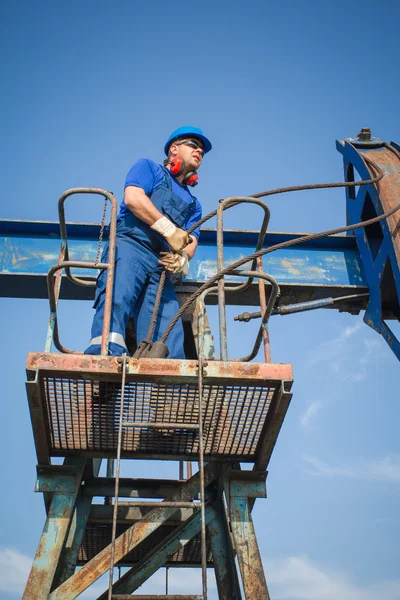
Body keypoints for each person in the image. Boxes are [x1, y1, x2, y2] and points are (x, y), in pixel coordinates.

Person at [85, 126, 212, 359]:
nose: (199, 151)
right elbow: (133, 198)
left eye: (202, 150)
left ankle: (172, 384)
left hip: (160, 265)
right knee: (117, 299)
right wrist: (168, 229)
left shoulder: (195, 205)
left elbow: (191, 241)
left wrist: (182, 258)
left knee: (168, 326)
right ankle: (105, 359)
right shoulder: (148, 169)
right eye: (193, 145)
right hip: (130, 245)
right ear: (174, 149)